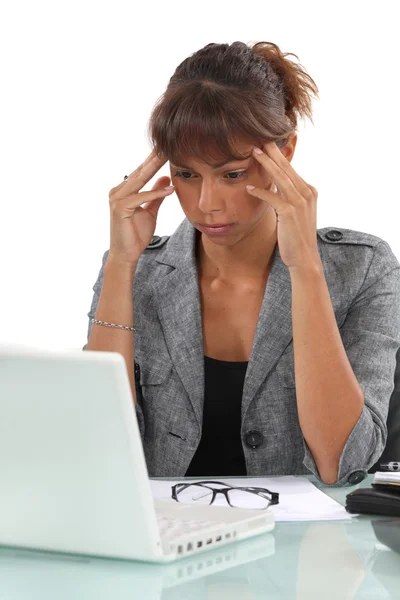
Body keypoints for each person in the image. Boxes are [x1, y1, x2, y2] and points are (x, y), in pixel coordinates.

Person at [83, 41, 400, 486]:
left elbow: (340, 462)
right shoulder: (140, 272)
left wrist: (306, 267)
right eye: (186, 174)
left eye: (232, 174)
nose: (206, 204)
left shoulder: (363, 269)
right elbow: (99, 452)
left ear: (284, 153)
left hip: (303, 549)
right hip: (169, 543)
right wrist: (120, 265)